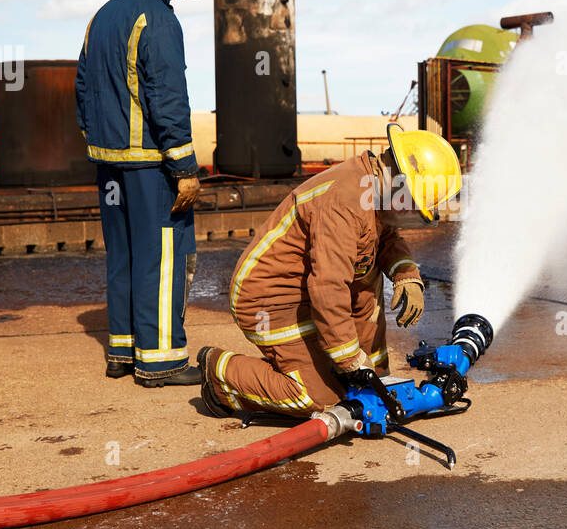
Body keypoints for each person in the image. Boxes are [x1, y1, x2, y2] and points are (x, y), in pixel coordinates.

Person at [193, 123, 461, 418]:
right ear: (398, 180)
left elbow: (384, 237)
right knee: (320, 398)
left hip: (311, 290)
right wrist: (348, 360)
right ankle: (221, 375)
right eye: (411, 203)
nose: (409, 212)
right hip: (270, 300)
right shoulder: (343, 203)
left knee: (365, 323)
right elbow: (328, 287)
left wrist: (406, 274)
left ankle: (365, 383)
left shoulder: (375, 189)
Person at [76, 0, 209, 386]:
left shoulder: (103, 15)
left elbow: (82, 88)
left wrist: (99, 144)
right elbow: (167, 96)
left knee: (125, 256)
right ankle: (161, 361)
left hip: (109, 165)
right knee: (164, 258)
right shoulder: (158, 18)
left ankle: (122, 351)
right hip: (152, 167)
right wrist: (185, 167)